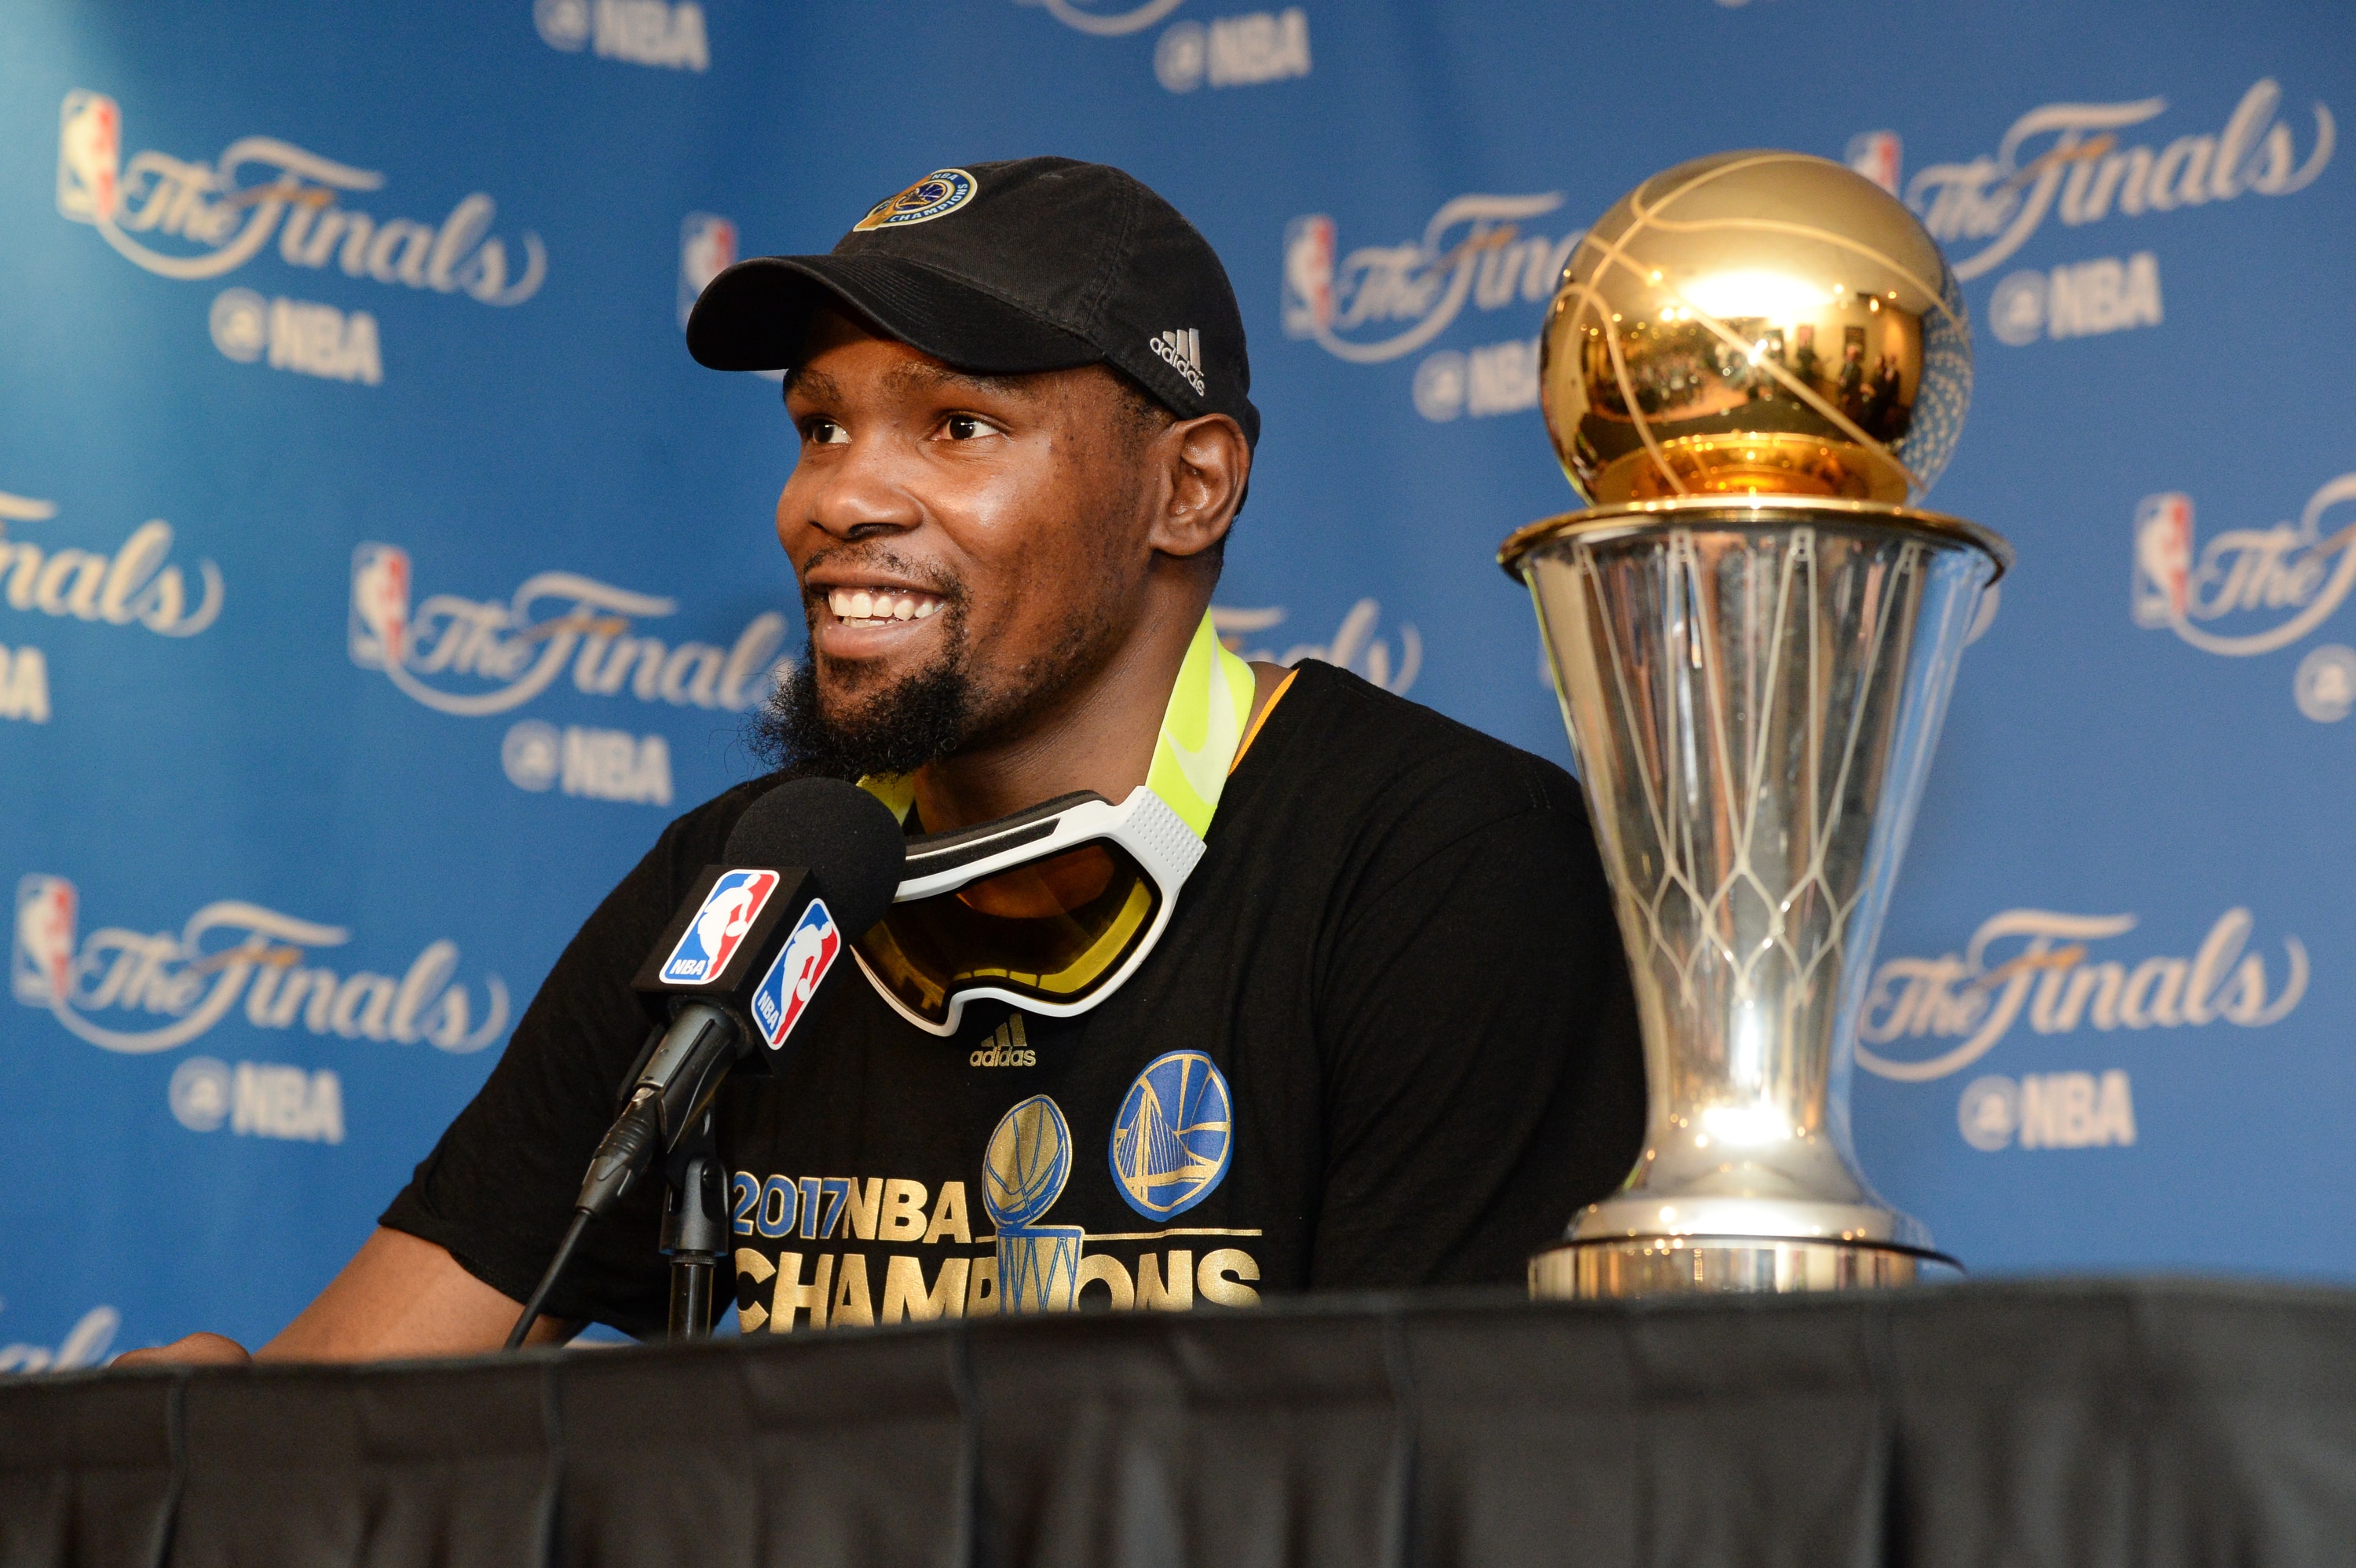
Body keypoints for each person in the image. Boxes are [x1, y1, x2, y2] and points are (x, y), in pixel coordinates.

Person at [123, 158, 1642, 1365]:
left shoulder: (1444, 862)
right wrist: (211, 1439)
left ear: (1188, 487)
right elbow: (379, 1368)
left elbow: (1439, 1484)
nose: (839, 498)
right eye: (822, 426)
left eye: (959, 425)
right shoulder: (755, 875)